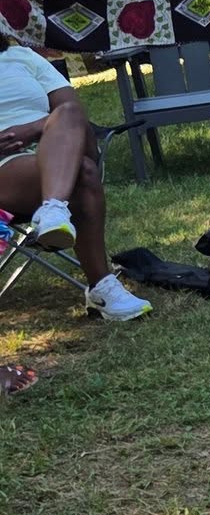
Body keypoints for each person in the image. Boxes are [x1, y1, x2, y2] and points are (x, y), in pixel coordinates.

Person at [0, 40, 151, 319]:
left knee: (68, 112)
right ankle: (101, 288)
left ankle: (52, 209)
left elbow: (73, 111)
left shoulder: (22, 56)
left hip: (57, 144)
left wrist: (34, 128)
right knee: (84, 173)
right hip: (6, 164)